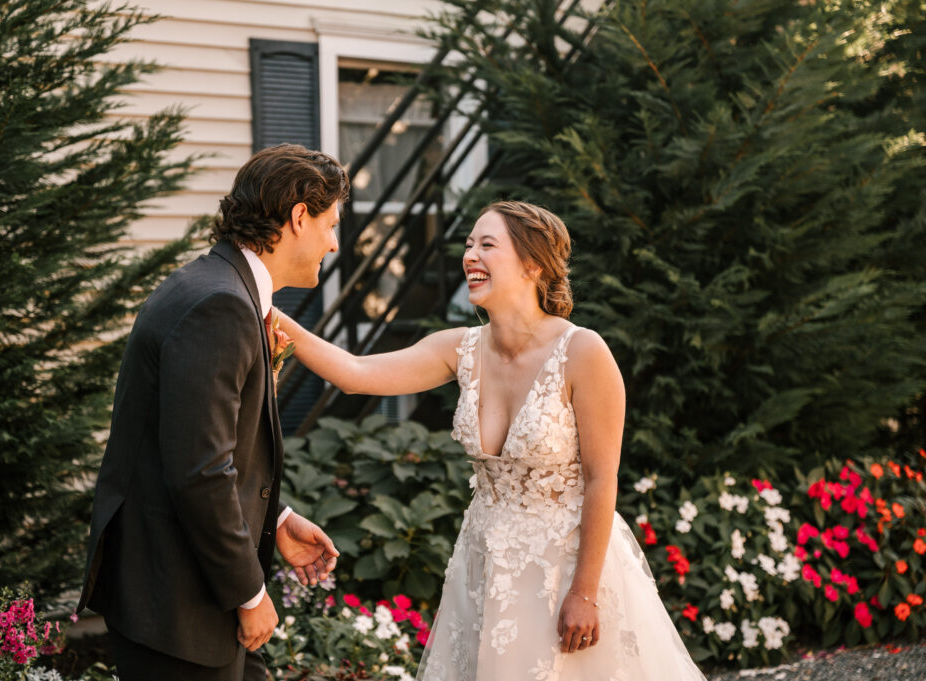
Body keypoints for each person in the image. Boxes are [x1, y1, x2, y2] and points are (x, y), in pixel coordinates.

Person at [275, 200, 707, 680]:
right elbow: (355, 373)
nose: (470, 256)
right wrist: (271, 317)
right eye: (468, 245)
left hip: (563, 570)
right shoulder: (458, 349)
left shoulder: (583, 352)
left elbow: (602, 479)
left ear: (532, 264)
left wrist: (583, 592)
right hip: (481, 565)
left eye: (487, 244)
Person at [77, 143, 348, 681]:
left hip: (181, 594)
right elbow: (199, 471)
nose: (334, 243)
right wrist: (249, 593)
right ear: (299, 217)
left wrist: (280, 517)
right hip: (178, 604)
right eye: (330, 224)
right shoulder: (220, 305)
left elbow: (202, 445)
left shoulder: (217, 286)